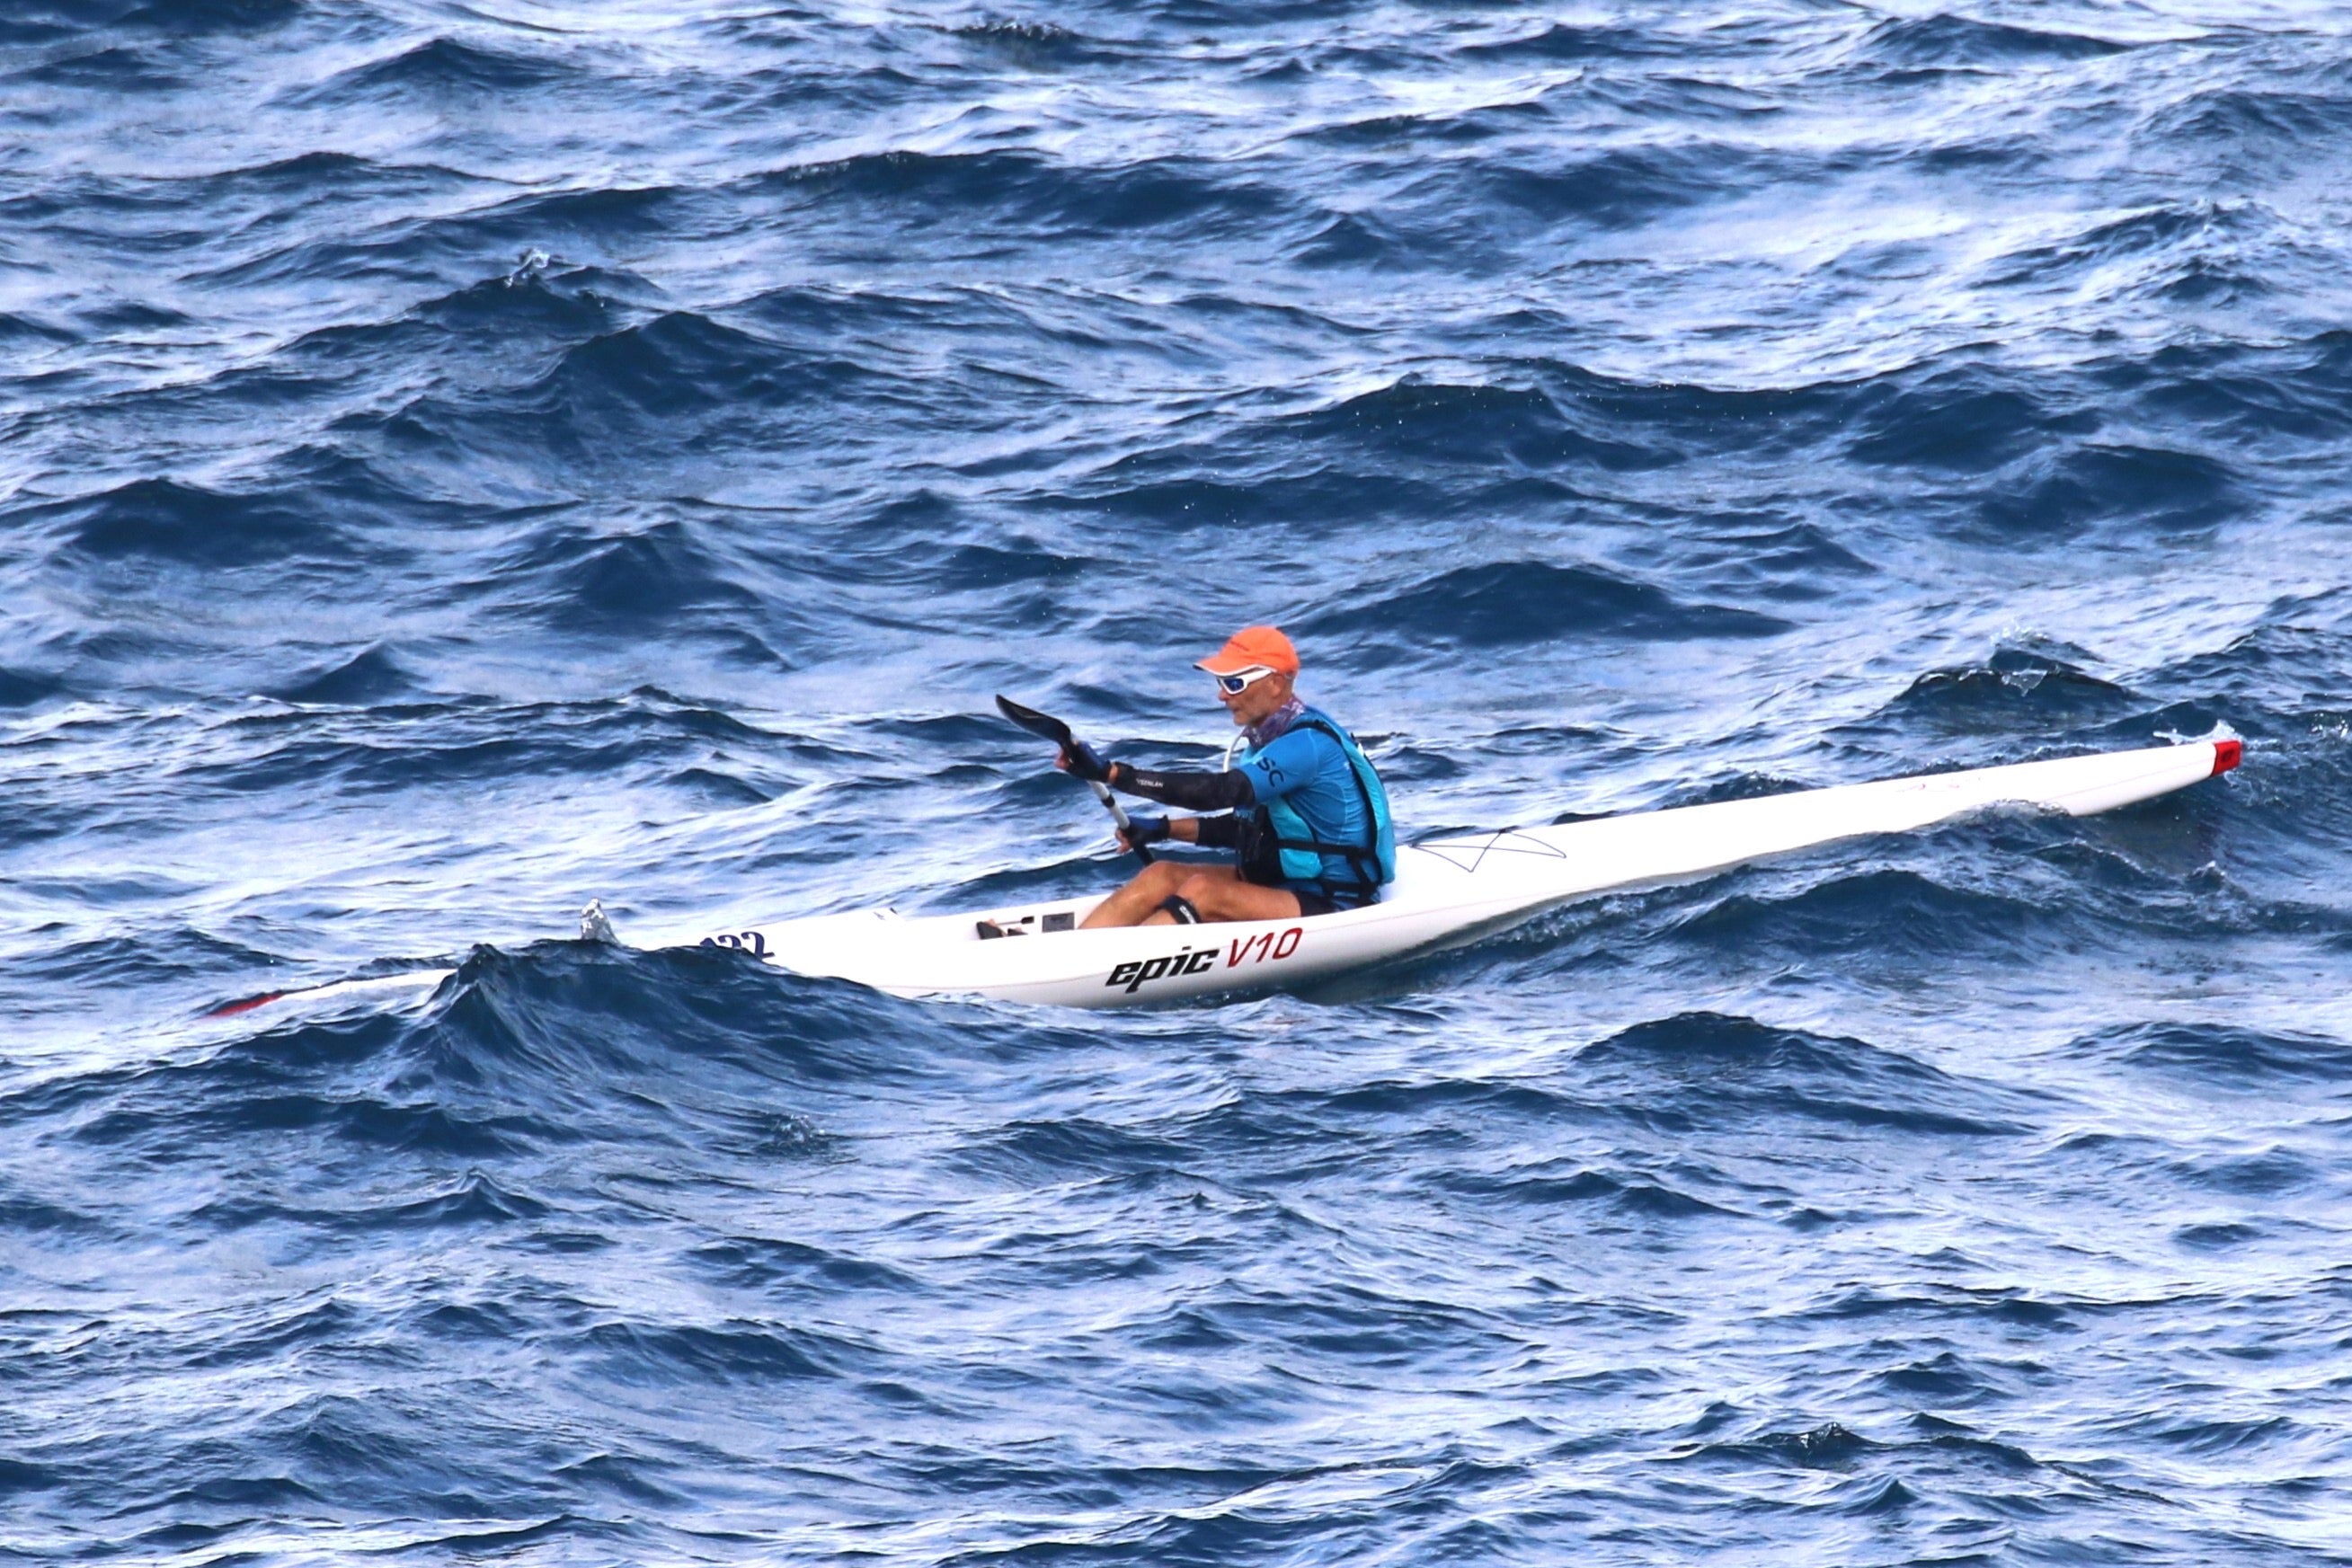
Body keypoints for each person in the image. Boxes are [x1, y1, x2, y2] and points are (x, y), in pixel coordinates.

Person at [1060, 626, 1394, 928]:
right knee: (1160, 875)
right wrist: (1162, 829)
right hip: (1277, 885)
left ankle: (1099, 970)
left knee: (1203, 892)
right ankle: (1069, 954)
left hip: (1334, 902)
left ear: (1276, 683)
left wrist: (1114, 774)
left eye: (1234, 683)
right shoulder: (1264, 741)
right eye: (1221, 683)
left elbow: (1219, 792)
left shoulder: (1305, 746)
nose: (1222, 695)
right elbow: (1247, 830)